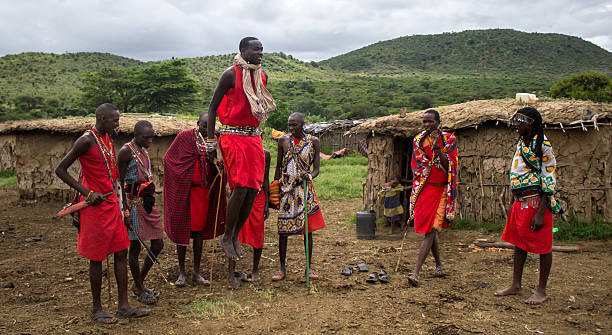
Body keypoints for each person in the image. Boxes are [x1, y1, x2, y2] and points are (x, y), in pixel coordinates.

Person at [55, 103, 149, 323]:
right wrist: (87, 193)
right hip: (94, 207)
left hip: (110, 203)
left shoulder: (107, 138)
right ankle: (97, 309)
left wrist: (121, 202)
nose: (118, 124)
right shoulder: (86, 140)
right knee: (96, 258)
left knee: (121, 252)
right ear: (102, 118)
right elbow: (60, 169)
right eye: (114, 120)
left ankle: (123, 305)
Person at [205, 36, 276, 261]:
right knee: (241, 186)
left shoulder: (262, 76)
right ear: (243, 50)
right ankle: (227, 236)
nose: (260, 53)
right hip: (232, 135)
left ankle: (235, 234)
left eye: (262, 49)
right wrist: (210, 141)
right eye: (256, 49)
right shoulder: (230, 74)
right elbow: (212, 108)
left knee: (254, 189)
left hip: (253, 137)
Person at [494, 107, 560, 304]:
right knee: (519, 244)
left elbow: (548, 178)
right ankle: (516, 285)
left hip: (537, 203)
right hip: (521, 202)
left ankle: (541, 291)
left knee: (543, 247)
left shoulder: (543, 145)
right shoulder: (523, 143)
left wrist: (540, 213)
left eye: (520, 122)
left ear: (530, 123)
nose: (516, 126)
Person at [163, 112, 227, 286]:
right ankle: (182, 272)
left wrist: (216, 165)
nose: (207, 129)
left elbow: (216, 165)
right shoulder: (185, 137)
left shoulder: (213, 142)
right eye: (205, 125)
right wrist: (187, 172)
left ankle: (196, 272)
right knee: (182, 231)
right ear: (198, 123)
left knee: (199, 231)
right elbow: (169, 160)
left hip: (202, 194)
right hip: (184, 192)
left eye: (211, 126)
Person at [407, 109, 458, 287]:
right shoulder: (418, 140)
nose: (427, 125)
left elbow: (451, 165)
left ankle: (416, 271)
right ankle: (439, 265)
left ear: (438, 122)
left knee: (431, 230)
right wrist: (430, 163)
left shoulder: (449, 140)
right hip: (425, 188)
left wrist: (438, 150)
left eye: (430, 122)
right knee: (430, 228)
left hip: (442, 190)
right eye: (425, 122)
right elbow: (419, 165)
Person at [272, 112, 326, 281]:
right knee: (283, 231)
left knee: (307, 231)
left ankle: (308, 268)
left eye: (294, 125)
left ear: (303, 125)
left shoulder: (313, 142)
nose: (291, 128)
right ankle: (282, 269)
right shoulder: (283, 141)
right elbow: (279, 167)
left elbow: (316, 168)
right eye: (289, 125)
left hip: (304, 190)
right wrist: (274, 189)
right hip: (286, 191)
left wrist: (309, 176)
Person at [117, 120, 163, 304]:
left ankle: (139, 282)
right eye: (147, 137)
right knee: (135, 248)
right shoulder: (126, 151)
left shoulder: (143, 149)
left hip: (147, 204)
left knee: (158, 244)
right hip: (133, 204)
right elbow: (119, 182)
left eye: (152, 137)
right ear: (136, 135)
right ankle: (139, 287)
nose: (150, 140)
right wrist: (124, 210)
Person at [228, 148, 271, 288]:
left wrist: (266, 204)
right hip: (240, 195)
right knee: (234, 233)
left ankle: (255, 270)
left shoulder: (266, 154)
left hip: (258, 197)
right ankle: (231, 273)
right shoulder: (239, 151)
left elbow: (265, 180)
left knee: (258, 234)